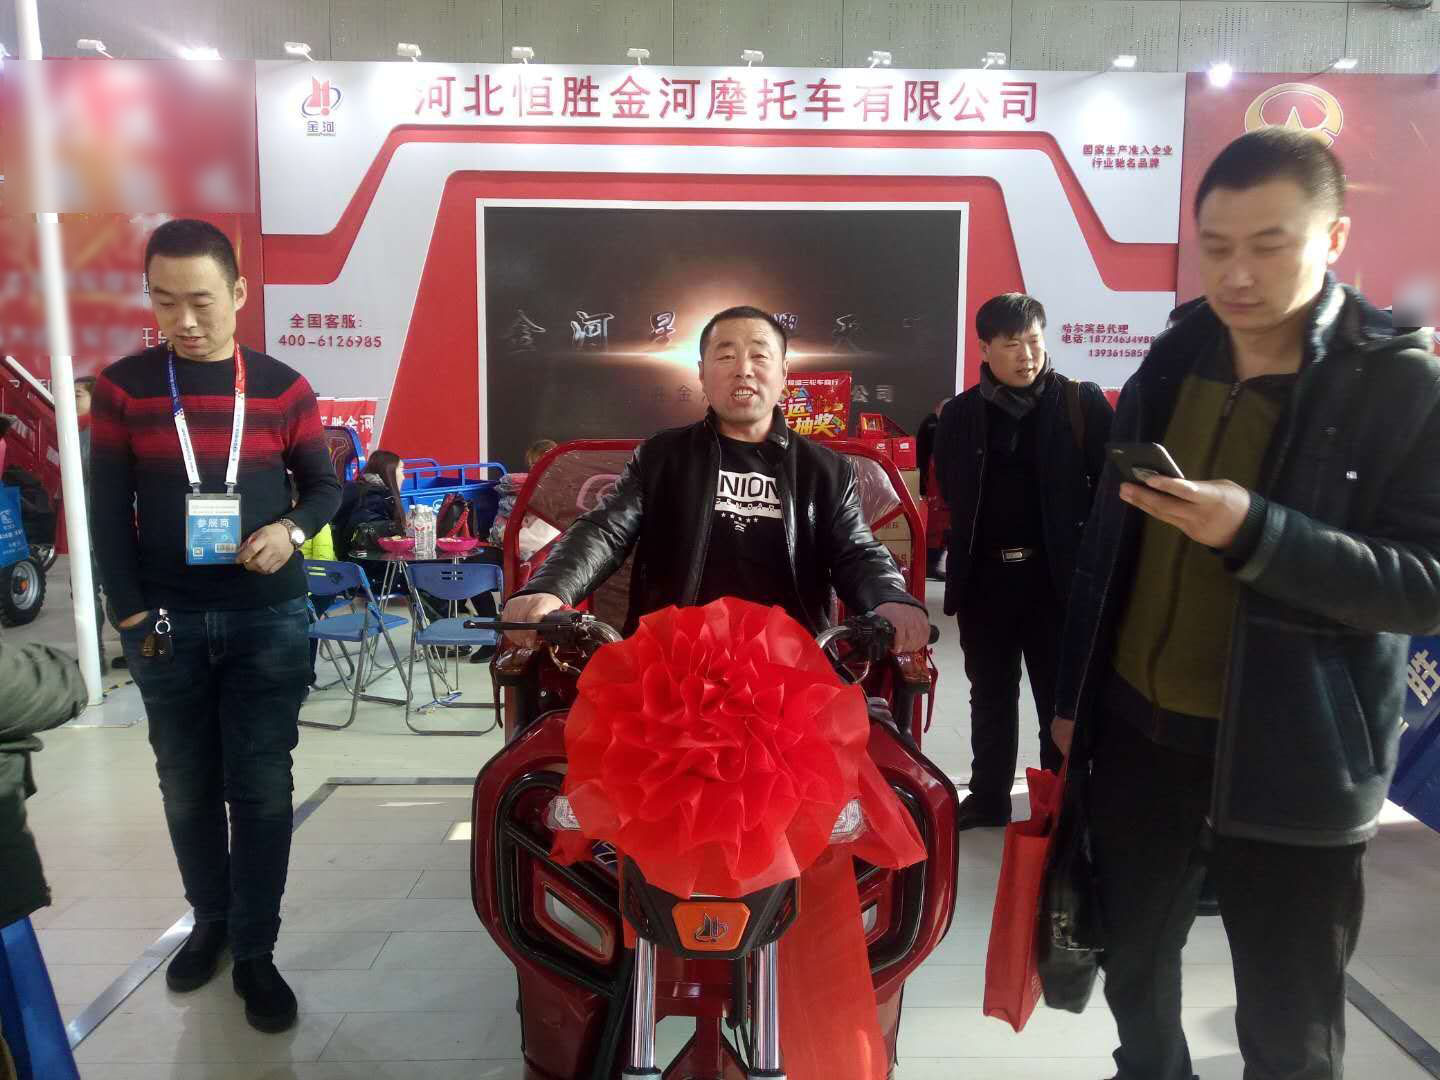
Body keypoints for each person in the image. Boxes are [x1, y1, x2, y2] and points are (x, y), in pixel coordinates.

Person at [1052, 129, 1440, 1080]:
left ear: (1334, 236)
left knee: (1290, 1019)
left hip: (1298, 754)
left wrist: (1257, 532)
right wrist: (1072, 699)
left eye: (1270, 245)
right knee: (1133, 970)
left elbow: (1425, 583)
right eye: (1217, 246)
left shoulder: (1400, 381)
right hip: (1140, 737)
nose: (1237, 274)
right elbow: (1110, 546)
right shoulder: (1174, 356)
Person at [90, 219, 342, 1034]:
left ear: (237, 293)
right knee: (187, 782)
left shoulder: (282, 388)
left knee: (261, 786)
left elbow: (327, 488)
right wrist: (130, 613)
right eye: (166, 301)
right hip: (164, 620)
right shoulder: (125, 390)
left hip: (268, 619)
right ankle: (211, 923)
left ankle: (257, 951)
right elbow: (104, 512)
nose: (185, 319)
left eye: (201, 300)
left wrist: (292, 530)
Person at [501, 305, 930, 654]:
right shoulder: (661, 457)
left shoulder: (826, 471)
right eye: (726, 357)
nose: (743, 369)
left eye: (760, 356)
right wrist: (550, 588)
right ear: (702, 373)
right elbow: (605, 531)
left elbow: (856, 551)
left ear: (784, 373)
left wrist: (891, 598)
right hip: (672, 660)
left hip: (791, 666)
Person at [935, 294, 1111, 829]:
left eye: (1034, 341)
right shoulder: (960, 415)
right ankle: (988, 796)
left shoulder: (1080, 402)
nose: (1027, 355)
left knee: (1058, 698)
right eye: (1012, 344)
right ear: (985, 348)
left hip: (1056, 580)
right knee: (990, 693)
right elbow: (953, 490)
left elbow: (1110, 491)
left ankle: (1055, 802)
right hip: (986, 579)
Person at [332, 449, 406, 562]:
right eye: (401, 469)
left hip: (344, 560)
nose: (404, 477)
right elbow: (367, 536)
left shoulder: (354, 488)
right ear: (389, 471)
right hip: (365, 565)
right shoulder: (375, 498)